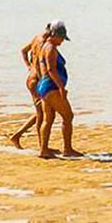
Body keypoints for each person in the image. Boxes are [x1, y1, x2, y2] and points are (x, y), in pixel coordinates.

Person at [9, 22, 58, 154]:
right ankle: (42, 147)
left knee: (41, 113)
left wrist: (29, 66)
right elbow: (45, 66)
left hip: (33, 78)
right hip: (36, 80)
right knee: (43, 114)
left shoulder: (37, 38)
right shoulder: (44, 44)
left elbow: (24, 51)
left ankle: (19, 136)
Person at [37, 20, 82, 159]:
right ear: (55, 35)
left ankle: (44, 150)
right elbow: (51, 69)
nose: (62, 41)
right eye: (62, 38)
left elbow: (42, 68)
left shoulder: (44, 46)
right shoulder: (50, 48)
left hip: (44, 86)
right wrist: (61, 88)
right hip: (52, 87)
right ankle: (67, 149)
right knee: (68, 116)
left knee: (48, 118)